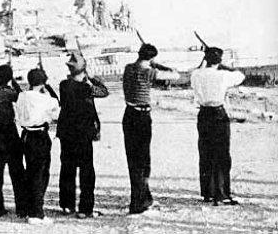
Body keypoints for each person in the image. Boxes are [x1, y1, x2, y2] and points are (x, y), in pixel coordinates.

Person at [122, 43, 180, 214]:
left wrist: (152, 63)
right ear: (152, 58)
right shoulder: (149, 72)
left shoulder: (128, 68)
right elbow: (175, 75)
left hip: (129, 114)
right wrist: (160, 65)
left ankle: (142, 197)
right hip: (142, 117)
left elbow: (139, 67)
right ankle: (139, 201)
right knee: (143, 160)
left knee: (134, 159)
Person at [190, 47, 245, 206]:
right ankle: (221, 193)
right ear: (219, 61)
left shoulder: (196, 74)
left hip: (203, 114)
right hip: (219, 114)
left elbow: (197, 71)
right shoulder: (223, 75)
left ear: (205, 59)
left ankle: (207, 193)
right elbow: (240, 75)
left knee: (205, 152)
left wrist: (206, 61)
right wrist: (225, 66)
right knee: (221, 154)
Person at [57, 52, 109, 219]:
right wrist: (92, 77)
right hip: (83, 133)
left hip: (66, 133)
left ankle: (67, 204)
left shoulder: (63, 85)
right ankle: (85, 208)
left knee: (67, 169)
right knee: (87, 171)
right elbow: (104, 91)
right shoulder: (87, 88)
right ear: (84, 70)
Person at [15, 68, 60, 225]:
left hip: (26, 135)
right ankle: (36, 213)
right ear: (43, 82)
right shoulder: (46, 99)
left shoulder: (22, 96)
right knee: (40, 175)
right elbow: (56, 111)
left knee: (31, 172)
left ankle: (30, 208)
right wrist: (48, 89)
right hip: (40, 135)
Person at [0, 64, 28, 218]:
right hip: (8, 130)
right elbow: (21, 97)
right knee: (16, 171)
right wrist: (13, 82)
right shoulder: (7, 92)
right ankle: (22, 206)